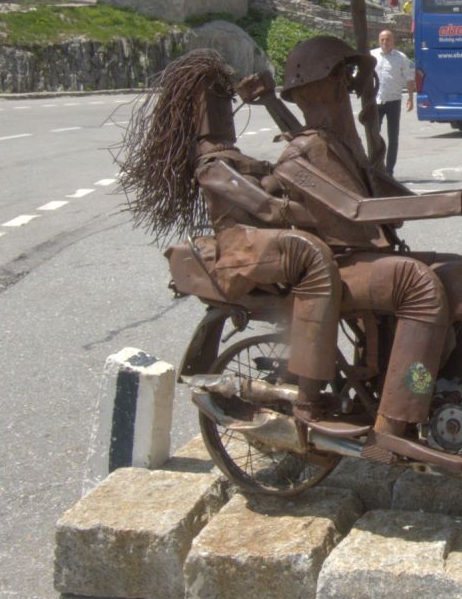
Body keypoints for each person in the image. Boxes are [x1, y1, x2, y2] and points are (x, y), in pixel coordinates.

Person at [249, 35, 462, 452]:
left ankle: (441, 396)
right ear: (308, 89)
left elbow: (401, 201)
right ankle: (393, 427)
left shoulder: (341, 147)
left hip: (367, 258)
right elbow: (355, 210)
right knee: (418, 285)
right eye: (335, 78)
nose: (345, 87)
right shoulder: (299, 155)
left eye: (345, 77)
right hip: (334, 266)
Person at [116, 50, 343, 426]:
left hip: (262, 241)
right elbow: (266, 207)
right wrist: (317, 214)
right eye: (215, 101)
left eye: (226, 99)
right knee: (312, 255)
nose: (224, 109)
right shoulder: (213, 165)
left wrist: (272, 103)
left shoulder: (234, 156)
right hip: (242, 245)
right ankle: (307, 401)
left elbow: (295, 160)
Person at [369, 29, 414, 174]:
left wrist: (411, 98)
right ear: (378, 40)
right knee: (374, 136)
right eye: (382, 39)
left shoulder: (401, 57)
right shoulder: (372, 55)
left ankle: (389, 170)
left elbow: (409, 78)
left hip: (393, 101)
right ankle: (376, 167)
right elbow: (362, 76)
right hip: (376, 101)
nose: (385, 42)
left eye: (388, 39)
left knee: (393, 137)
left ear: (393, 41)